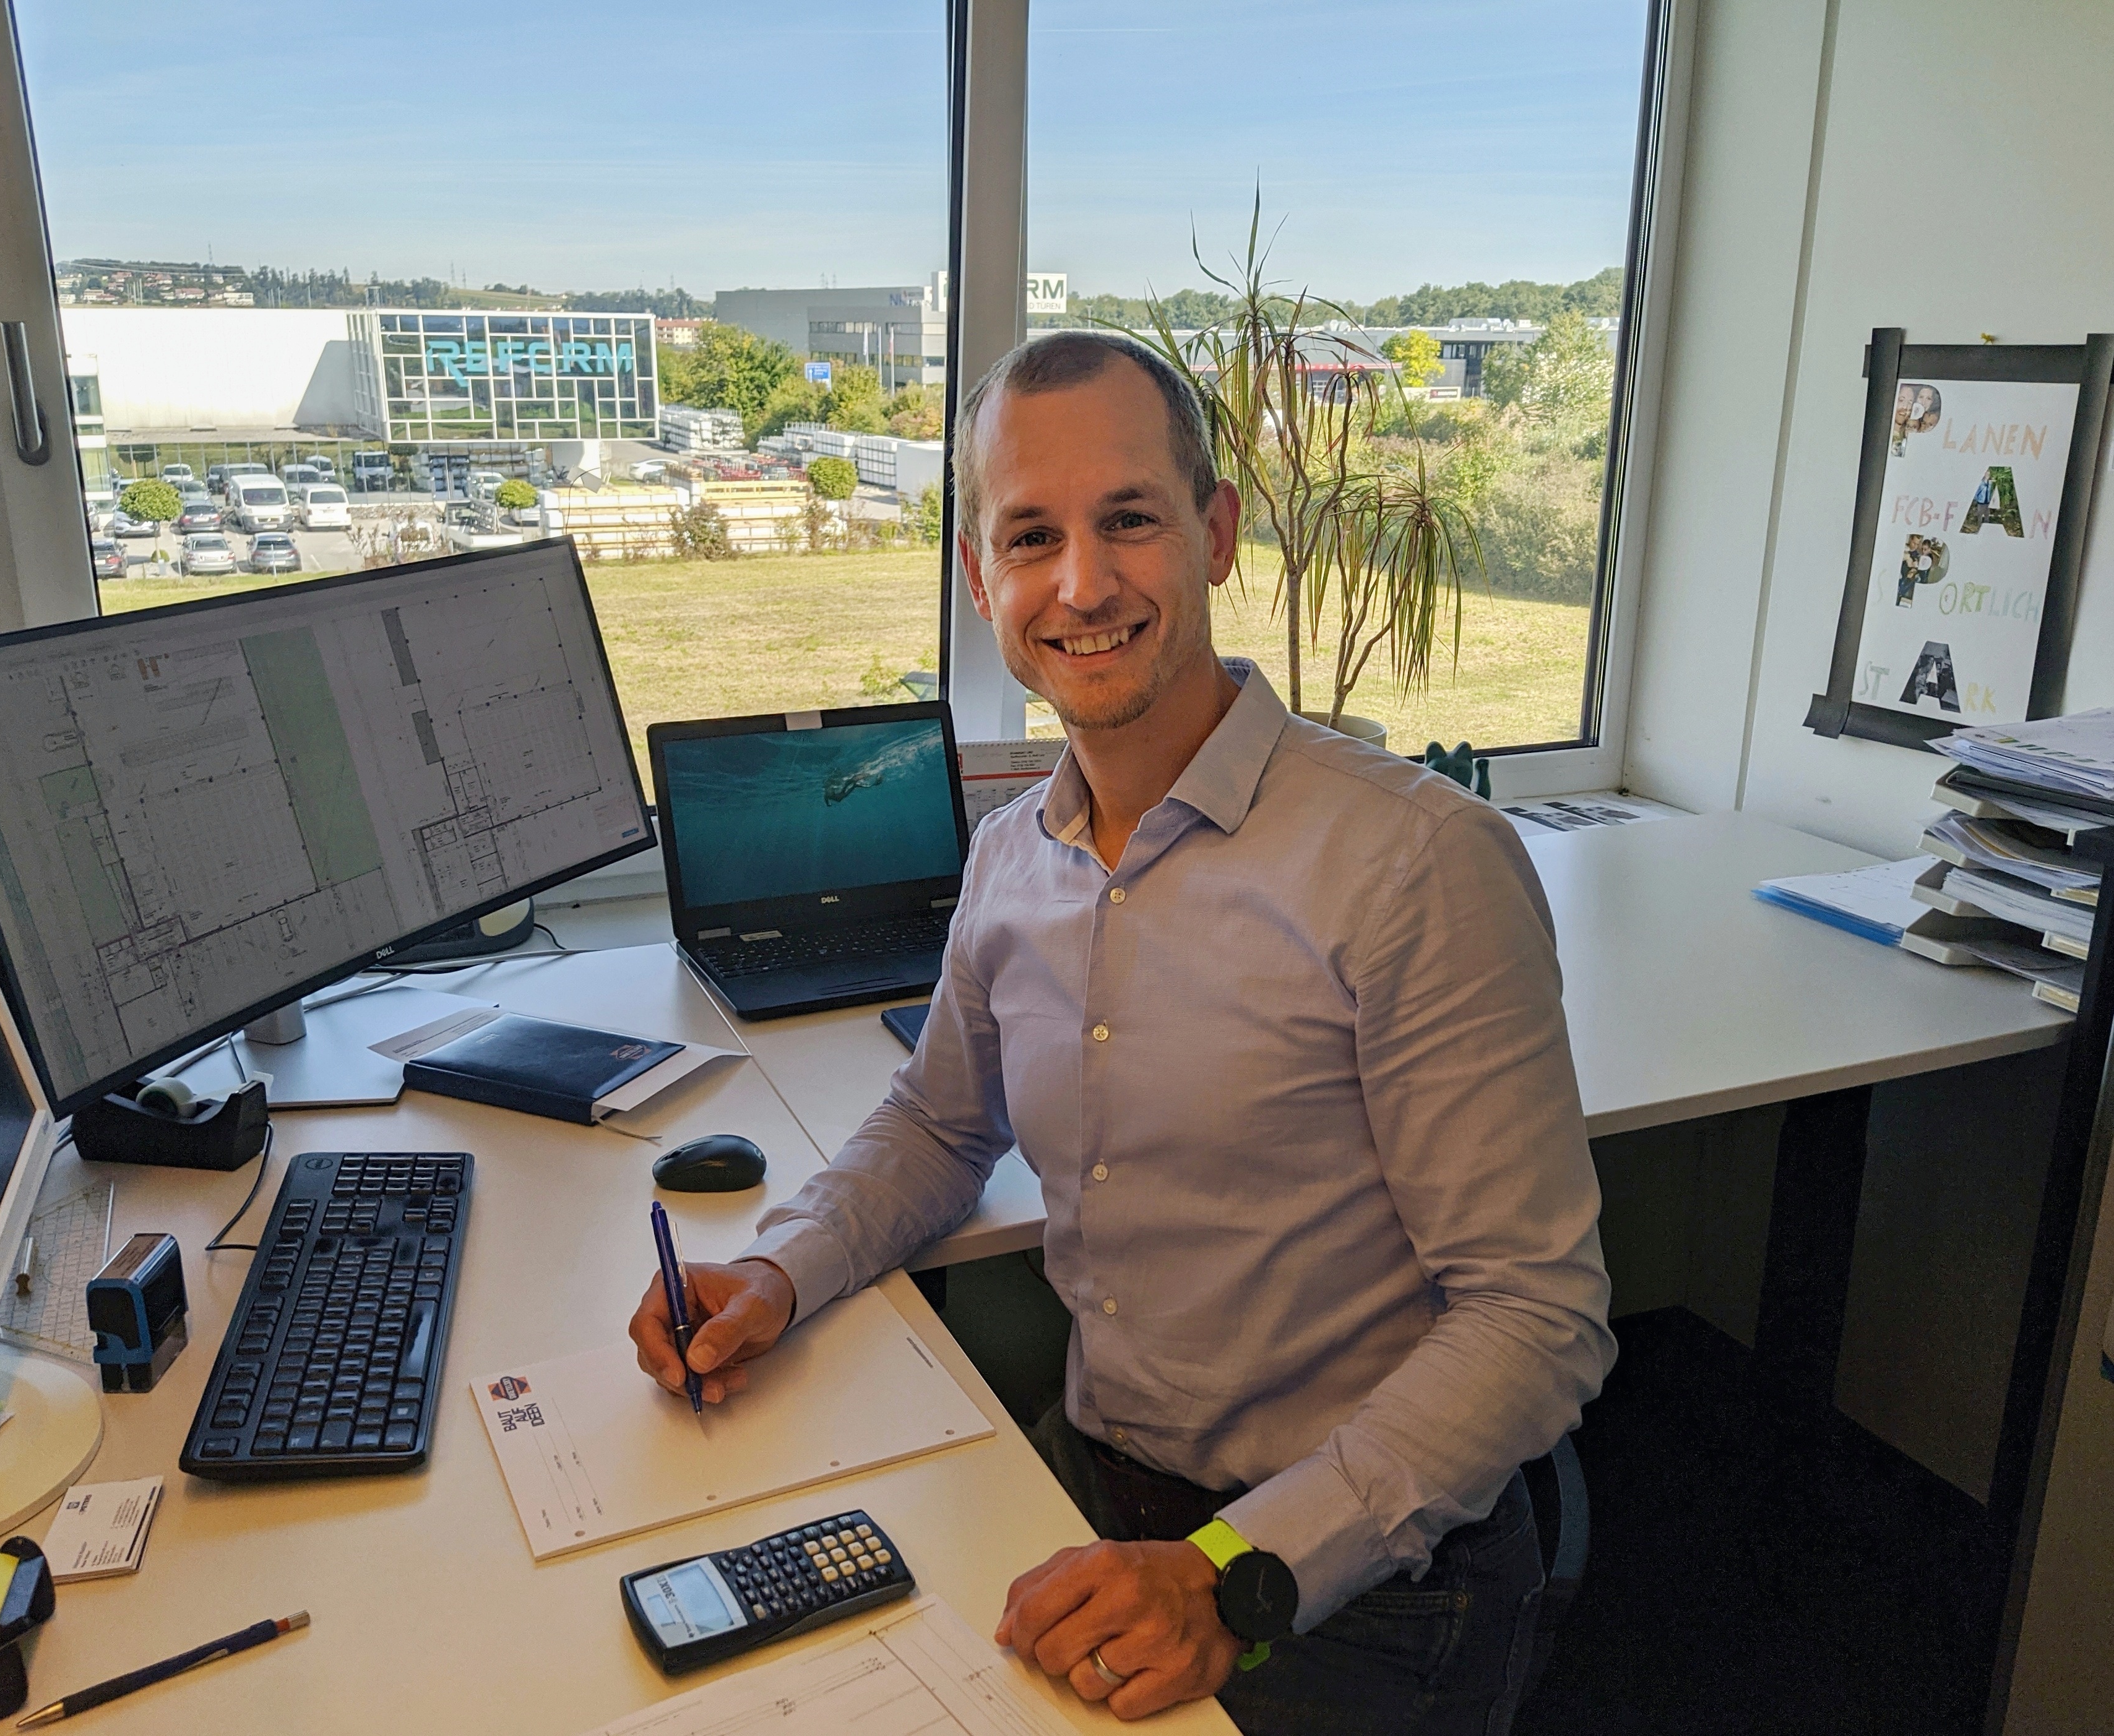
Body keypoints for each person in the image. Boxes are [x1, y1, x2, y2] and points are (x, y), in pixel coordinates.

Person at [629, 331, 1615, 1734]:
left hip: (1352, 1578)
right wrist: (777, 1271)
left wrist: (1228, 1574)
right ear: (981, 577)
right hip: (1095, 1486)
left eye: (1129, 520)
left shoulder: (1414, 863)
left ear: (1213, 533)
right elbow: (938, 1124)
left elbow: (1535, 1316)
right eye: (1030, 536)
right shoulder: (1009, 858)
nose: (1081, 585)